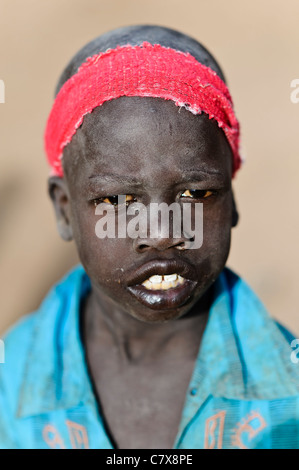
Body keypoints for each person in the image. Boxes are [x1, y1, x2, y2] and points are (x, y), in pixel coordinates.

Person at [1, 25, 298, 450]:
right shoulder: (11, 382)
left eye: (196, 193)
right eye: (117, 199)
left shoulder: (290, 392)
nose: (161, 234)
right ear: (64, 208)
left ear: (231, 200)